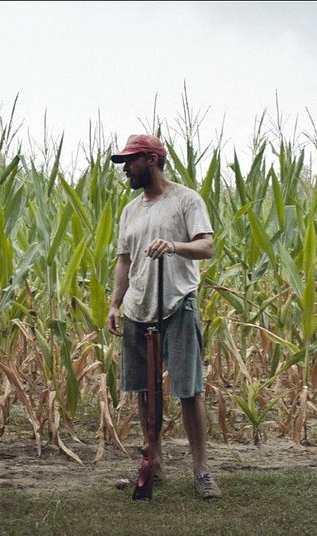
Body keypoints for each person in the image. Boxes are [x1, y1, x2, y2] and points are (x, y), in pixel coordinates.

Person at [106, 134, 221, 500]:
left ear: (152, 160)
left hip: (176, 304)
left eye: (131, 161)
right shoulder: (131, 210)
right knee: (144, 389)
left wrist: (173, 246)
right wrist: (115, 303)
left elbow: (207, 246)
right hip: (138, 308)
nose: (125, 169)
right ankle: (152, 462)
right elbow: (124, 259)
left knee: (188, 389)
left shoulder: (186, 200)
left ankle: (201, 470)